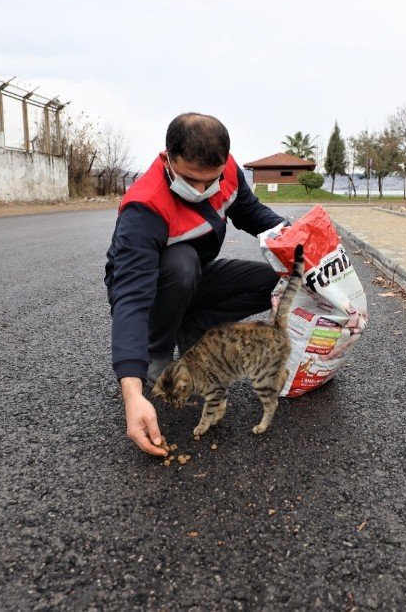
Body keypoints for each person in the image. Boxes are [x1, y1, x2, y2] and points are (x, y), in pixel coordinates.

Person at [105, 113, 287, 457]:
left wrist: (296, 239)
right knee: (182, 262)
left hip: (195, 276)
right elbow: (131, 298)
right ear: (167, 159)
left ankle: (192, 329)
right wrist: (131, 393)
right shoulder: (144, 207)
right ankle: (157, 353)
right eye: (190, 179)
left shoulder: (228, 171)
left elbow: (251, 213)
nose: (202, 191)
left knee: (273, 281)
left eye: (211, 180)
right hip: (153, 281)